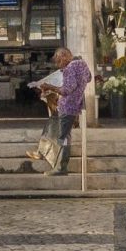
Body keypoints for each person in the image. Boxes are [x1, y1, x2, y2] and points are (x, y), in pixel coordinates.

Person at [29, 46, 91, 175]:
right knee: (51, 125)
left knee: (63, 137)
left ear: (64, 56)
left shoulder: (70, 68)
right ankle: (42, 152)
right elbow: (89, 78)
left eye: (58, 61)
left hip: (68, 106)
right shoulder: (82, 64)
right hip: (71, 105)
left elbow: (66, 90)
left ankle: (61, 168)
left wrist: (48, 86)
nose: (58, 65)